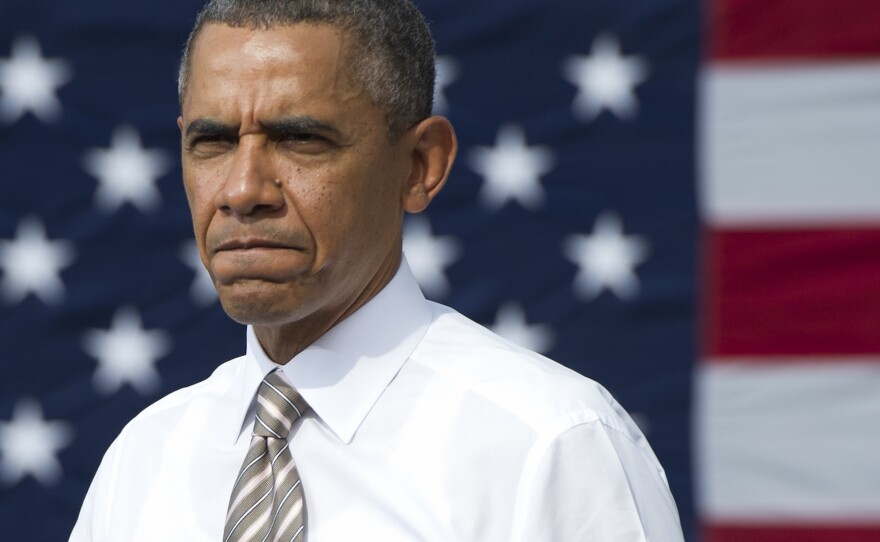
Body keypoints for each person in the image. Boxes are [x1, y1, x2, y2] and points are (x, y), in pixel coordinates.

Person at [70, 0, 684, 540]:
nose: (241, 188)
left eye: (300, 139)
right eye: (213, 142)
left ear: (420, 165)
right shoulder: (143, 459)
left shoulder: (550, 444)